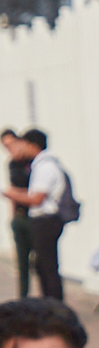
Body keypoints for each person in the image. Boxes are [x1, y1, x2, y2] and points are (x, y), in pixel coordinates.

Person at [5, 128, 76, 300]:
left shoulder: (45, 167)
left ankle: (54, 303)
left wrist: (12, 194)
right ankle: (49, 300)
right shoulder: (41, 165)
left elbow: (37, 198)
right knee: (42, 265)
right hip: (43, 221)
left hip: (46, 221)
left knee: (47, 266)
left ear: (33, 145)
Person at [3, 126, 34, 294]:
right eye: (6, 147)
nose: (10, 149)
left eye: (12, 145)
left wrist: (16, 194)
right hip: (20, 216)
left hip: (35, 217)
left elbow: (37, 193)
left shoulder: (33, 162)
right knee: (22, 264)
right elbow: (12, 193)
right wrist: (13, 218)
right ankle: (23, 299)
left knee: (41, 263)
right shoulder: (12, 164)